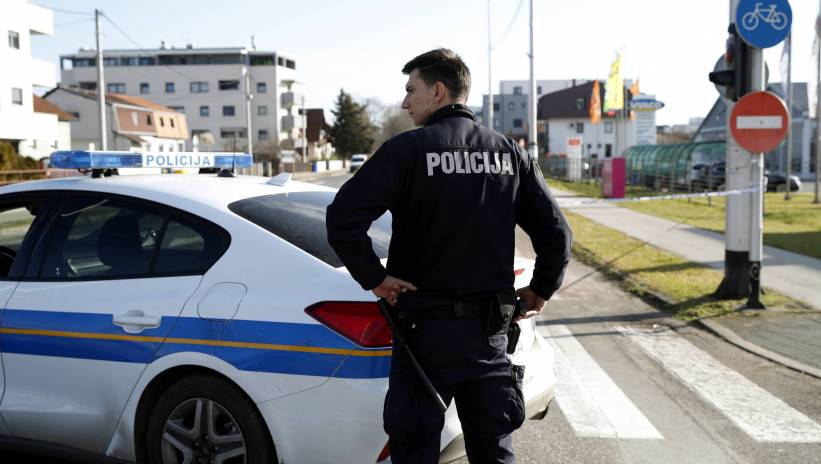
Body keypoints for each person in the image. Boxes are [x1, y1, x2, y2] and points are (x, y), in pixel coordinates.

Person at [326, 48, 572, 464]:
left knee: (415, 448)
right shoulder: (509, 154)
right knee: (493, 451)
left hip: (422, 333)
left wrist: (375, 279)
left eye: (411, 90)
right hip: (489, 333)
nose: (405, 102)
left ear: (438, 91)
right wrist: (541, 290)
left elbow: (342, 219)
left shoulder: (405, 151)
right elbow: (557, 235)